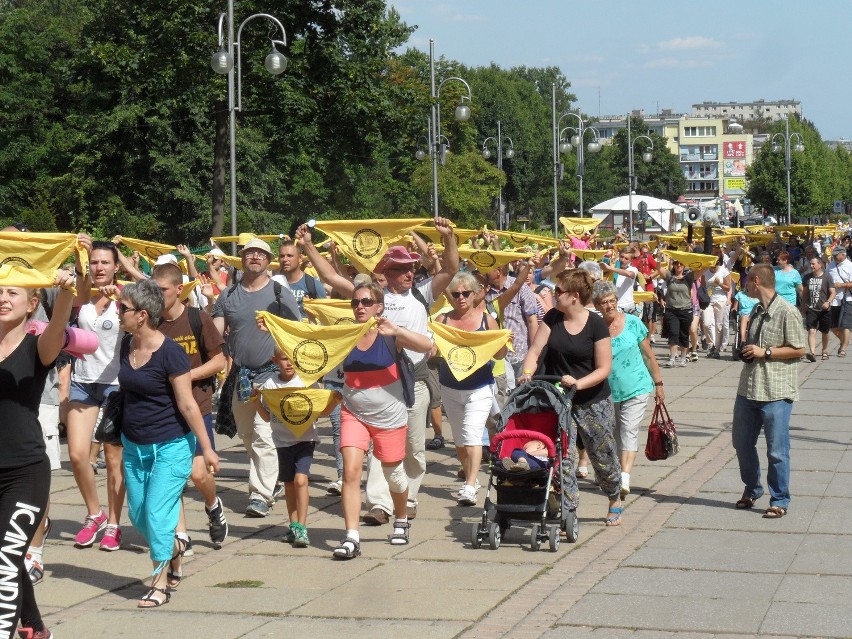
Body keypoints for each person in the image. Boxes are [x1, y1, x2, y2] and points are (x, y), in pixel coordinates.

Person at [297, 220, 458, 524]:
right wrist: (307, 245)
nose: (410, 272)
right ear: (387, 272)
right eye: (401, 268)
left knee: (411, 447)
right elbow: (330, 276)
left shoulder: (422, 294)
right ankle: (379, 505)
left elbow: (449, 270)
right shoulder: (369, 296)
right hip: (375, 381)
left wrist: (448, 239)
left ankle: (406, 497)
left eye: (412, 267)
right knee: (373, 448)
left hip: (415, 378)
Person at [116, 280, 220, 607]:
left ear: (142, 315)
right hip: (134, 446)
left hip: (171, 446)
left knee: (158, 515)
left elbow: (188, 404)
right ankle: (174, 548)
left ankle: (160, 583)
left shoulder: (171, 354)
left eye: (124, 309)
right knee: (138, 515)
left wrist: (207, 448)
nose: (120, 313)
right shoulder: (126, 345)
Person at [0, 268, 76, 638]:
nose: (2, 298)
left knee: (4, 559)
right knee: (5, 559)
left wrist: (64, 293)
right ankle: (34, 628)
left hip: (25, 472)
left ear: (32, 304)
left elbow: (58, 330)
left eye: (12, 293)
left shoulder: (37, 347)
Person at [332, 283, 432, 559]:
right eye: (355, 303)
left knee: (394, 475)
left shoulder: (390, 336)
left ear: (379, 306)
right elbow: (308, 344)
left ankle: (401, 518)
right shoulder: (346, 335)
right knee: (351, 472)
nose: (360, 306)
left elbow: (428, 346)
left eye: (366, 301)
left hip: (390, 416)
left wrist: (398, 331)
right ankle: (352, 536)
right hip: (354, 413)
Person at [519, 269, 624, 527]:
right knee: (561, 454)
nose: (553, 295)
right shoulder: (553, 317)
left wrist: (579, 382)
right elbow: (535, 350)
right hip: (558, 399)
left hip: (593, 400)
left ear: (575, 296)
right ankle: (569, 508)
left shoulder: (595, 324)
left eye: (558, 291)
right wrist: (527, 372)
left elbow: (603, 368)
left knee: (602, 453)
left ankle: (614, 497)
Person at [212, 238, 300, 517]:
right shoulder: (228, 295)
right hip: (242, 375)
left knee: (264, 436)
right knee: (247, 435)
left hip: (271, 374)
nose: (255, 258)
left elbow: (296, 331)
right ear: (242, 258)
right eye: (250, 253)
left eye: (260, 254)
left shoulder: (278, 292)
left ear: (268, 261)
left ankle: (260, 495)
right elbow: (215, 333)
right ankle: (270, 480)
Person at [152, 264, 229, 550]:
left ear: (178, 289)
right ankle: (180, 534)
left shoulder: (197, 319)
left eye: (162, 291)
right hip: (163, 409)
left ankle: (213, 505)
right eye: (153, 290)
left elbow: (219, 362)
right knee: (170, 476)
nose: (157, 296)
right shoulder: (151, 323)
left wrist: (184, 377)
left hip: (197, 404)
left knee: (198, 473)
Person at [732, 264, 805, 519]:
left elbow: (799, 349)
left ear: (755, 281)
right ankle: (752, 488)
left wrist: (767, 352)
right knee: (741, 443)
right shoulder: (756, 309)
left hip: (775, 391)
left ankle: (779, 499)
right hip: (749, 388)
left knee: (776, 449)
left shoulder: (787, 311)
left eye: (745, 281)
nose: (743, 285)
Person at [66, 240, 127, 550]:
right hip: (83, 382)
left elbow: (152, 305)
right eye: (94, 262)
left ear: (116, 267)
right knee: (77, 455)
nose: (99, 267)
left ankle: (114, 523)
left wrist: (122, 300)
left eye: (105, 262)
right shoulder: (84, 297)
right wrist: (79, 258)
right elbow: (75, 292)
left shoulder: (125, 297)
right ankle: (95, 514)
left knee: (114, 460)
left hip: (116, 385)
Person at [434, 272, 507, 506]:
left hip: (480, 387)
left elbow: (500, 355)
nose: (461, 298)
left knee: (472, 434)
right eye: (456, 294)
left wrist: (501, 341)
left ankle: (469, 485)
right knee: (458, 439)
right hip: (450, 386)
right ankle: (471, 478)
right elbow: (432, 350)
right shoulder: (443, 321)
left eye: (466, 293)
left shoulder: (487, 320)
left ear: (476, 293)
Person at [591, 280, 664, 498]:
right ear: (596, 305)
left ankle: (624, 477)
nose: (609, 305)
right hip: (607, 391)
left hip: (637, 386)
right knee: (611, 434)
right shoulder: (595, 328)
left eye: (612, 300)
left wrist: (658, 384)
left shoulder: (632, 322)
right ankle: (610, 472)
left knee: (628, 429)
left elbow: (649, 355)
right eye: (604, 302)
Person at [255, 351, 328, 548]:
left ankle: (302, 526)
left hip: (305, 440)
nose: (289, 364)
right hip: (282, 442)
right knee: (288, 485)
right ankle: (294, 525)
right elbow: (266, 417)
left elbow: (322, 410)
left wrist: (334, 399)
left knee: (300, 480)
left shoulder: (306, 381)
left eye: (293, 359)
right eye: (284, 359)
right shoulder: (270, 384)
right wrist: (255, 400)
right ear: (275, 361)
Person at [272, 238, 327, 315]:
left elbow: (324, 316)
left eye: (289, 256)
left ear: (300, 258)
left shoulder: (313, 285)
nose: (285, 259)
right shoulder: (271, 282)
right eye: (282, 256)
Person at [658, 259, 694, 368]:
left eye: (681, 263)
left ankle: (683, 357)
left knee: (684, 334)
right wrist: (660, 257)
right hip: (671, 310)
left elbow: (701, 269)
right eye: (676, 263)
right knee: (673, 333)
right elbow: (658, 268)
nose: (678, 265)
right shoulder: (669, 277)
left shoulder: (688, 277)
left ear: (684, 266)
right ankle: (672, 358)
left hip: (685, 310)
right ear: (673, 265)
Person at [800, 256, 835, 361]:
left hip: (824, 310)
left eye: (813, 264)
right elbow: (804, 292)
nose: (811, 266)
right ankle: (813, 353)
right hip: (811, 309)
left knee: (825, 332)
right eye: (810, 264)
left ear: (820, 265)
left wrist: (828, 302)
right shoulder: (807, 277)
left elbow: (833, 292)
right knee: (812, 331)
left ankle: (824, 351)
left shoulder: (827, 277)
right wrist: (804, 305)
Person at [827, 245, 852, 357]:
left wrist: (842, 285)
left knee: (845, 325)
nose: (834, 257)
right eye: (833, 255)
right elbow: (826, 279)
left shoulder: (850, 266)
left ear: (843, 254)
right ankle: (843, 341)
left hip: (847, 298)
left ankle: (843, 348)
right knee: (833, 326)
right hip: (834, 299)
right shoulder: (831, 265)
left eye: (836, 255)